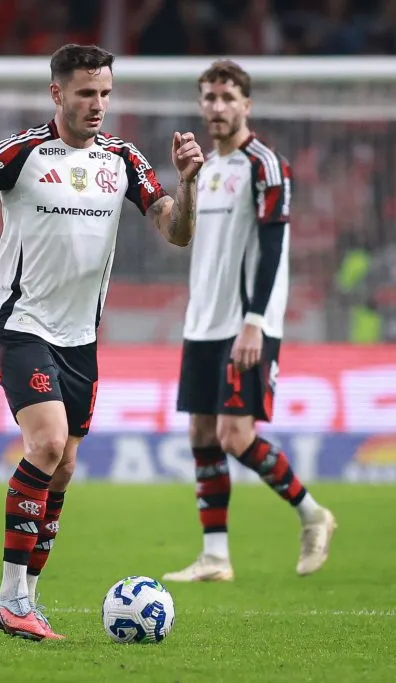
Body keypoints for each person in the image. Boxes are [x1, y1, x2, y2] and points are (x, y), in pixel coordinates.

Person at [0, 43, 204, 641]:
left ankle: (28, 596)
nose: (98, 104)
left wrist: (189, 185)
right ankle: (8, 598)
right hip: (18, 326)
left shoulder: (124, 160)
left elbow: (175, 231)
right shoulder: (22, 153)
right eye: (86, 93)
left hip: (81, 341)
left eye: (105, 93)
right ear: (57, 94)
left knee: (63, 468)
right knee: (48, 442)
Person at [161, 60, 336, 585]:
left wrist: (256, 321)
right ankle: (215, 556)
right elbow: (186, 234)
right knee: (201, 434)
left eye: (226, 97)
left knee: (235, 435)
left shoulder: (264, 164)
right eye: (208, 98)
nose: (216, 107)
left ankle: (313, 514)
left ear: (246, 105)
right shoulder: (204, 169)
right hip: (203, 322)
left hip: (248, 323)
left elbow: (273, 244)